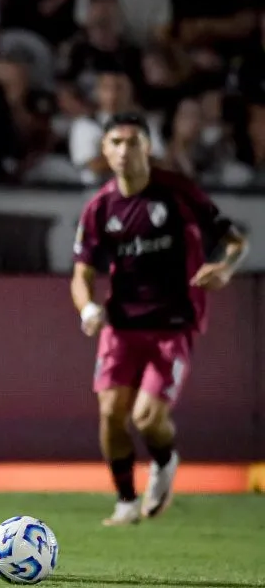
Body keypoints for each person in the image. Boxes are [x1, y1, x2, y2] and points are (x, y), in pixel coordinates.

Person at [71, 112, 247, 526]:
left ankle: (165, 461)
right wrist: (89, 308)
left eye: (133, 142)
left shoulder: (178, 193)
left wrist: (224, 268)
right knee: (111, 414)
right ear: (104, 150)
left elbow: (233, 240)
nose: (123, 150)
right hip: (121, 325)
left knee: (146, 418)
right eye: (115, 142)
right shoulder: (99, 209)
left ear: (148, 147)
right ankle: (126, 501)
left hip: (172, 322)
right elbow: (82, 273)